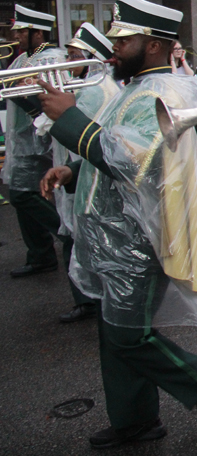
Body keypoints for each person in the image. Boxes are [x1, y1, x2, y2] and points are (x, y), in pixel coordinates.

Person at [36, 0, 197, 448]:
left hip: (138, 241)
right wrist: (73, 168)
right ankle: (134, 420)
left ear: (154, 45)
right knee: (115, 332)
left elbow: (130, 159)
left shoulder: (162, 93)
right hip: (116, 238)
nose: (114, 48)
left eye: (124, 40)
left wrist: (69, 120)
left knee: (128, 338)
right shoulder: (136, 89)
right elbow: (119, 147)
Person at [39, 23, 121, 322]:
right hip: (79, 171)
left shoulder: (97, 90)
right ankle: (91, 298)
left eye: (75, 56)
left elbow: (72, 132)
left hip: (94, 177)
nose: (68, 62)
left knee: (85, 238)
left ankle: (91, 299)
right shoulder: (84, 86)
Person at [3, 4, 66, 278]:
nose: (16, 37)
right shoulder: (24, 58)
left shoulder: (49, 58)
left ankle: (68, 235)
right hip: (21, 140)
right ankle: (39, 254)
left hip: (37, 141)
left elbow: (45, 101)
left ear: (38, 34)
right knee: (21, 193)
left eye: (21, 32)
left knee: (23, 195)